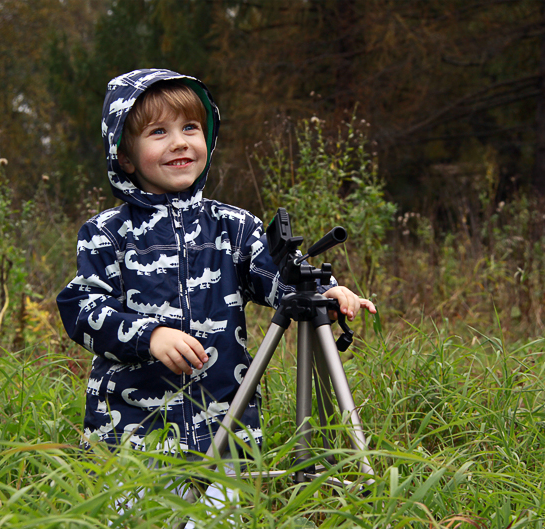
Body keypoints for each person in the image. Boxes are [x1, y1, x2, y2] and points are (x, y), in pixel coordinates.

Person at [56, 67, 375, 510]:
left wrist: (325, 291)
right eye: (158, 132)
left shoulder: (233, 225)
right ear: (124, 157)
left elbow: (276, 278)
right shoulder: (107, 233)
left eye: (190, 127)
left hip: (225, 427)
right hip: (134, 433)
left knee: (220, 518)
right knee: (139, 520)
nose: (180, 142)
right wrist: (149, 335)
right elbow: (82, 308)